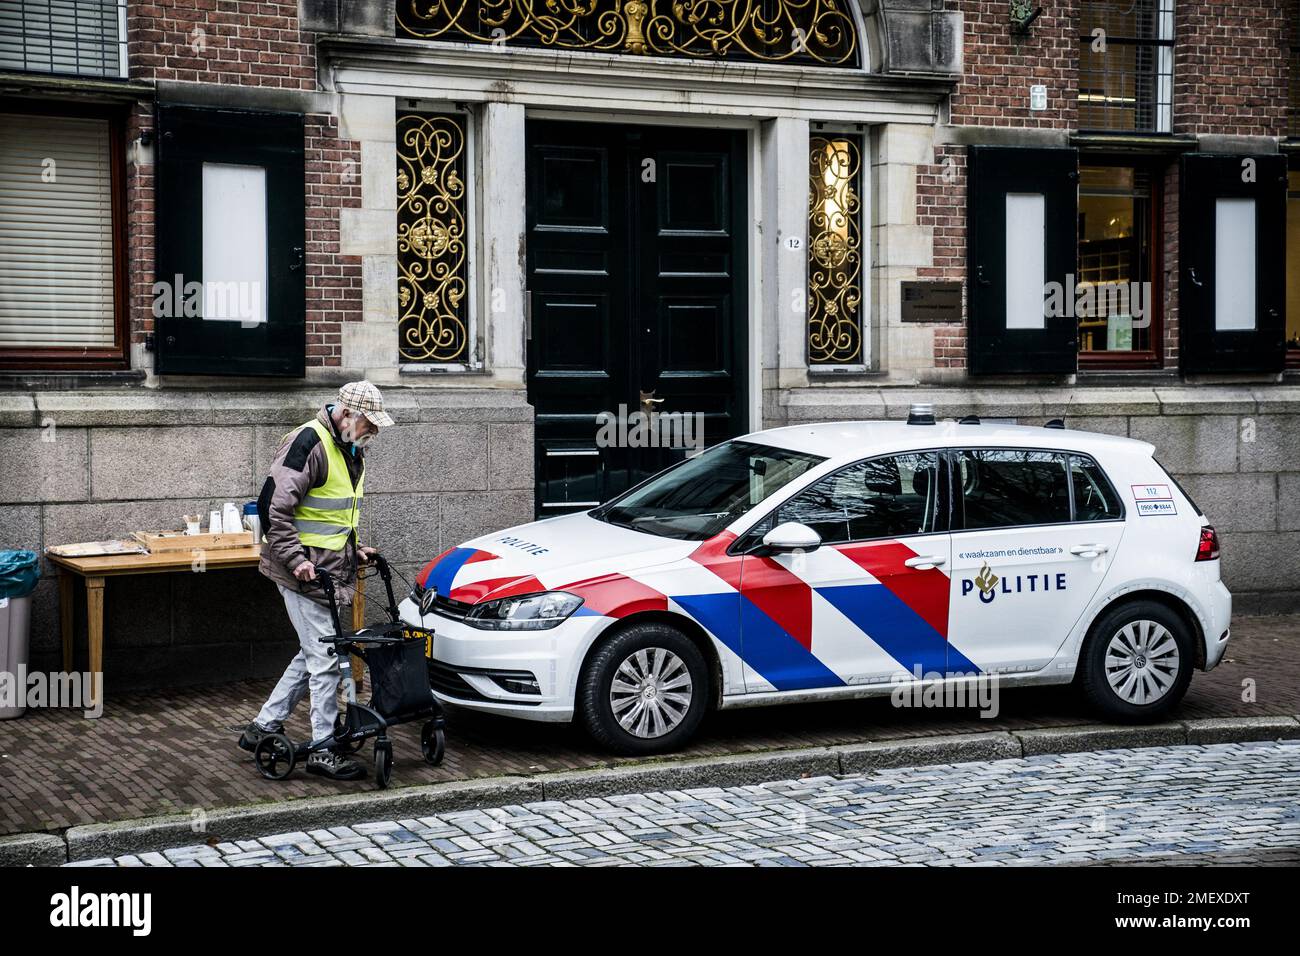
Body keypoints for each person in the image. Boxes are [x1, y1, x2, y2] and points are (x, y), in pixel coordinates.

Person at [238, 381, 394, 779]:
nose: (372, 432)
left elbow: (334, 515)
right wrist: (297, 561)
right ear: (346, 414)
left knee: (312, 653)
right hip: (301, 572)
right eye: (368, 425)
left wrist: (353, 549)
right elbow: (273, 509)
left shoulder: (350, 449)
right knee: (325, 660)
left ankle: (263, 727)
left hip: (328, 568)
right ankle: (324, 749)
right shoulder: (309, 443)